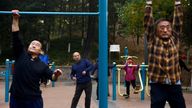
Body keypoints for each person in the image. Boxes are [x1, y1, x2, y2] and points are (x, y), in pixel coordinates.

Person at [10, 10, 62, 108]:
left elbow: (52, 77)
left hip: (33, 101)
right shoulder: (20, 54)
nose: (34, 45)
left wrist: (56, 74)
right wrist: (15, 18)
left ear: (40, 51)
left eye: (37, 45)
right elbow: (15, 34)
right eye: (32, 43)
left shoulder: (42, 65)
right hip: (16, 99)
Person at [144, 0, 186, 108]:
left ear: (171, 30)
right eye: (162, 28)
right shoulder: (152, 40)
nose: (165, 30)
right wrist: (148, 4)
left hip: (174, 83)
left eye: (168, 27)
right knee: (157, 105)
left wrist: (177, 4)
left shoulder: (175, 39)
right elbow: (148, 23)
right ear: (156, 31)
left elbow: (178, 22)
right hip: (158, 84)